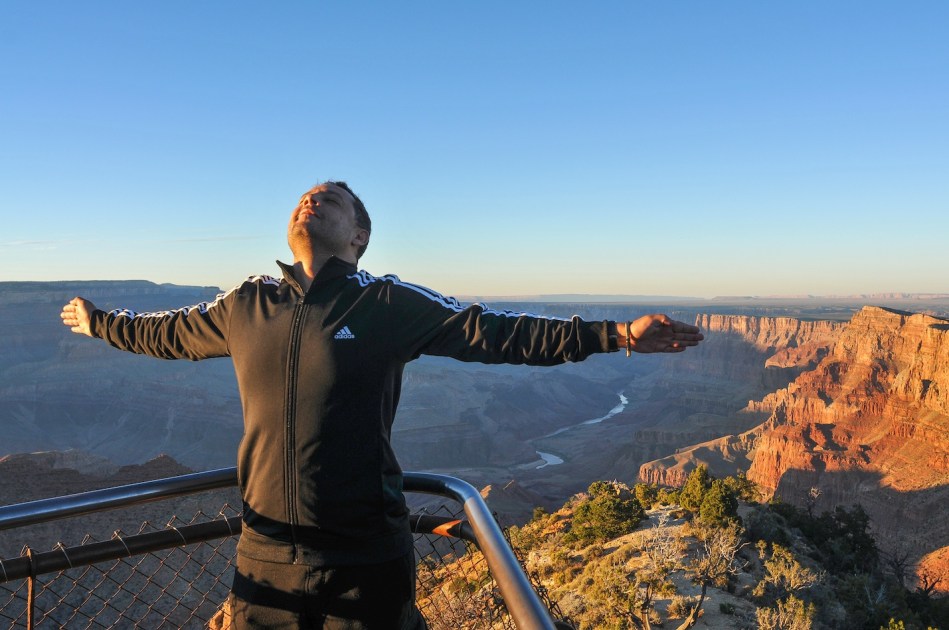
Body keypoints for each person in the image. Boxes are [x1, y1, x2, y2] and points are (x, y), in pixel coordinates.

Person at [61, 181, 704, 629]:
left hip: (365, 553)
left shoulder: (385, 302)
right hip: (265, 552)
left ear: (359, 235)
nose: (313, 200)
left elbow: (493, 332)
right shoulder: (246, 303)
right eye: (306, 196)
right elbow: (164, 333)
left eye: (332, 199)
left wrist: (615, 336)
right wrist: (100, 323)